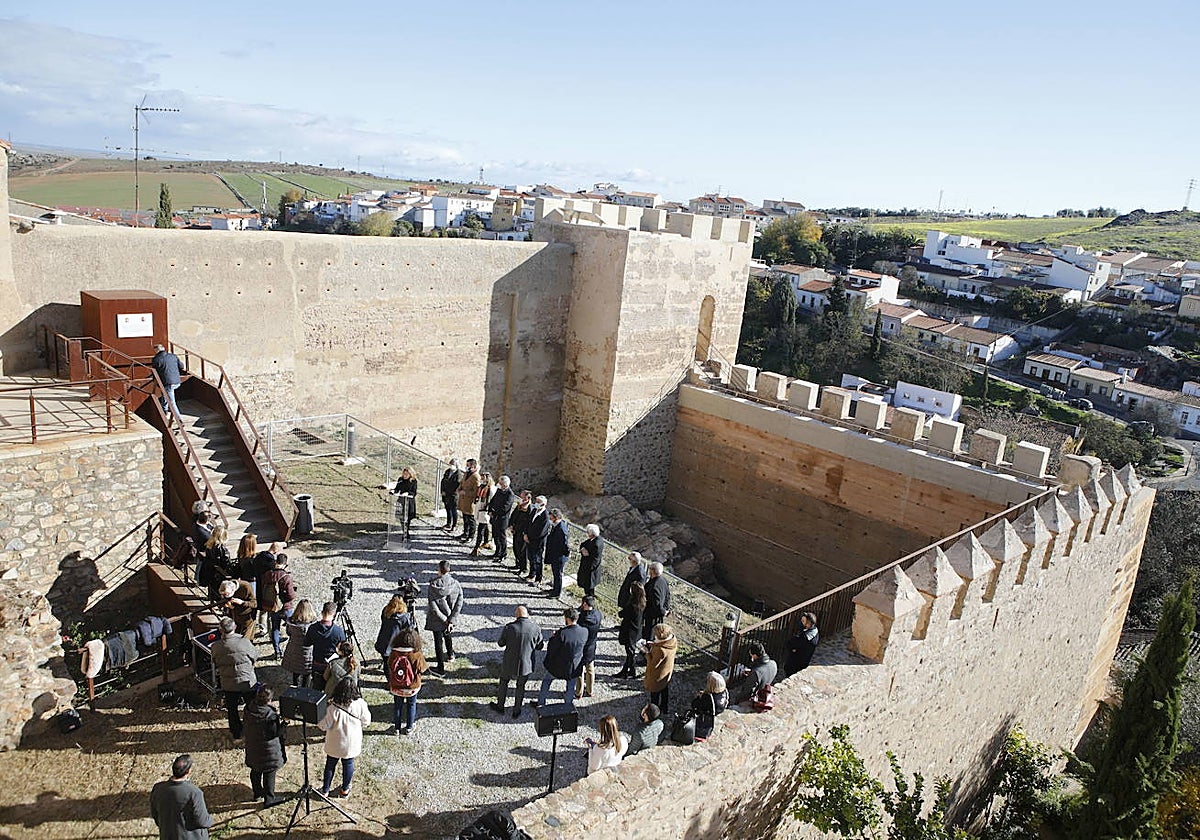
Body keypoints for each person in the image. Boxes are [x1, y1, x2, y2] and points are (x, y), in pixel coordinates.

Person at [318, 677, 371, 798]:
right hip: (351, 743)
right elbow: (366, 721)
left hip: (334, 743)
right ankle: (345, 790)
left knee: (330, 765)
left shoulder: (332, 708)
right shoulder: (360, 704)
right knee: (348, 764)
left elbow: (323, 726)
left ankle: (325, 790)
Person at [490, 605, 542, 718]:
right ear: (527, 615)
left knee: (504, 682)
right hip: (526, 664)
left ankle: (500, 706)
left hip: (509, 662)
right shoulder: (536, 629)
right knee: (521, 686)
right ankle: (516, 711)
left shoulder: (509, 628)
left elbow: (500, 643)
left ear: (516, 616)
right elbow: (540, 646)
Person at [211, 617, 257, 739]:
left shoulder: (216, 646)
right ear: (235, 627)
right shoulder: (244, 642)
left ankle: (236, 733)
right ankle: (253, 729)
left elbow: (215, 661)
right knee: (252, 706)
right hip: (247, 681)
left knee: (232, 709)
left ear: (220, 630)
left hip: (228, 683)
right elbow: (254, 656)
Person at [242, 685, 287, 807]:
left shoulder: (249, 708)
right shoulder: (270, 715)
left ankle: (257, 793)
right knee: (269, 773)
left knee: (255, 770)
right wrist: (285, 722)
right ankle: (269, 799)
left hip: (253, 746)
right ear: (269, 700)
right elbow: (275, 733)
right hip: (268, 751)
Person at [150, 754, 212, 840]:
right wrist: (210, 820)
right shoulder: (194, 793)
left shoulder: (158, 788)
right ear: (188, 771)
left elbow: (155, 815)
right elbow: (202, 821)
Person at [535, 608, 587, 708]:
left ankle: (541, 703)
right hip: (574, 667)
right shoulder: (584, 632)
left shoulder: (562, 633)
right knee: (570, 687)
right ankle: (568, 706)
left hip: (558, 667)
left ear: (567, 619)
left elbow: (552, 649)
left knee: (546, 682)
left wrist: (552, 638)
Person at [387, 627, 428, 735]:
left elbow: (389, 665)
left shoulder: (394, 652)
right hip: (412, 686)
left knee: (397, 706)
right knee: (411, 704)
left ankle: (397, 728)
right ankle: (409, 727)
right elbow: (422, 669)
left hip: (397, 685)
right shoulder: (416, 654)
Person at [425, 560, 463, 674]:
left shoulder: (433, 586)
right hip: (449, 619)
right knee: (447, 635)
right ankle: (450, 654)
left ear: (439, 569)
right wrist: (451, 620)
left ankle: (440, 668)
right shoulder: (456, 584)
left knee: (438, 642)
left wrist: (444, 620)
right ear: (449, 570)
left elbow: (433, 606)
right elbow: (459, 603)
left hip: (437, 619)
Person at [261, 553, 297, 659]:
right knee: (293, 629)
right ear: (285, 564)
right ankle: (291, 651)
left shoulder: (268, 574)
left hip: (273, 606)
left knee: (275, 629)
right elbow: (291, 596)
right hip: (286, 607)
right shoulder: (286, 577)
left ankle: (277, 652)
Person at [305, 602, 347, 686]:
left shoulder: (313, 628)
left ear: (322, 612)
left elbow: (306, 643)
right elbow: (344, 649)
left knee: (316, 687)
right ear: (334, 615)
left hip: (317, 664)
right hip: (332, 666)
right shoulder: (338, 632)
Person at [282, 599, 317, 687]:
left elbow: (288, 633)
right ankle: (304, 691)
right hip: (308, 652)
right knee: (307, 673)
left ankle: (295, 689)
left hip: (294, 649)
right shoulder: (313, 624)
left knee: (296, 671)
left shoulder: (291, 622)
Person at [644, 622, 678, 713]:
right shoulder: (672, 641)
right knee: (664, 690)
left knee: (655, 695)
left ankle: (654, 712)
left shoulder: (660, 650)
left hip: (657, 676)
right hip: (666, 673)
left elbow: (653, 664)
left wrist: (647, 653)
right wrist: (654, 644)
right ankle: (664, 708)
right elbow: (663, 645)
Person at [616, 580, 646, 678]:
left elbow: (622, 614)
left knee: (630, 652)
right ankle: (631, 670)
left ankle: (626, 671)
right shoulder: (642, 602)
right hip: (637, 630)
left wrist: (621, 612)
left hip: (629, 631)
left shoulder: (632, 605)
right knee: (630, 651)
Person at [575, 595, 602, 700]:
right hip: (591, 645)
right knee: (590, 669)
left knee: (579, 670)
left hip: (582, 647)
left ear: (585, 604)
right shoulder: (598, 614)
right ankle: (590, 690)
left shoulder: (582, 619)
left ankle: (579, 692)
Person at [735, 641, 778, 705]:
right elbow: (764, 674)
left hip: (757, 699)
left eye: (751, 655)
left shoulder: (756, 673)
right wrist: (752, 673)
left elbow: (747, 692)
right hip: (765, 690)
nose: (751, 657)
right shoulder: (773, 663)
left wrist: (737, 698)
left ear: (755, 655)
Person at [690, 671, 729, 741]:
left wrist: (699, 697)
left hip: (711, 713)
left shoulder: (708, 697)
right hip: (721, 708)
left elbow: (695, 705)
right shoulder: (724, 691)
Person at [151, 343, 186, 417]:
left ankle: (179, 419)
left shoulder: (156, 359)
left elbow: (154, 372)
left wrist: (155, 382)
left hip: (168, 383)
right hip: (177, 381)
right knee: (165, 393)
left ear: (156, 350)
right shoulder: (173, 356)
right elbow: (182, 366)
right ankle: (165, 409)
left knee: (172, 402)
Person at [199, 524, 231, 600]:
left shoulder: (209, 544)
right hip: (218, 572)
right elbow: (225, 562)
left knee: (212, 587)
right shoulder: (221, 548)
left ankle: (211, 597)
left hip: (210, 570)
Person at [524, 496, 551, 586]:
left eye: (538, 502)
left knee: (538, 560)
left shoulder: (545, 516)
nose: (536, 503)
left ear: (543, 504)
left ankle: (538, 578)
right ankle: (531, 574)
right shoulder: (534, 511)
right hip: (529, 539)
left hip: (538, 542)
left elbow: (541, 532)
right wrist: (526, 534)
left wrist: (530, 538)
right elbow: (528, 522)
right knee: (531, 558)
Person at [487, 475, 515, 561]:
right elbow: (493, 500)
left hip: (502, 519)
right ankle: (497, 552)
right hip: (494, 517)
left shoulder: (510, 494)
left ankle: (503, 554)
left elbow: (505, 508)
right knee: (495, 536)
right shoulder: (499, 490)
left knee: (502, 537)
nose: (499, 484)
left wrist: (494, 512)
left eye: (501, 483)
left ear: (505, 484)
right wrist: (490, 510)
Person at [784, 612, 820, 677]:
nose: (801, 622)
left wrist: (792, 648)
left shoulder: (805, 637)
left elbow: (792, 644)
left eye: (803, 621)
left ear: (808, 624)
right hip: (804, 661)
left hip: (796, 662)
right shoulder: (815, 632)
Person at [643, 562, 672, 642]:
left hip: (652, 614)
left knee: (650, 634)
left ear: (652, 571)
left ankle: (649, 648)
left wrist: (663, 611)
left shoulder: (654, 586)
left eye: (650, 569)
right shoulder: (663, 580)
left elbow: (656, 604)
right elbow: (667, 596)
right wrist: (666, 609)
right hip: (659, 613)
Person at [544, 507, 569, 596]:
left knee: (558, 575)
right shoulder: (556, 525)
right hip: (555, 554)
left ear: (556, 517)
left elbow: (564, 544)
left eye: (551, 517)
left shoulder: (561, 528)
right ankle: (554, 589)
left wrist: (563, 554)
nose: (550, 519)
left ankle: (556, 593)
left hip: (559, 556)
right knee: (555, 574)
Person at [470, 471, 495, 556]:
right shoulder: (481, 486)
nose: (481, 478)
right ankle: (486, 542)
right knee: (485, 526)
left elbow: (492, 500)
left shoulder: (491, 489)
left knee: (481, 528)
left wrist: (489, 510)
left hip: (485, 510)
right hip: (479, 508)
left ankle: (476, 547)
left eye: (483, 477)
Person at [455, 459, 481, 543]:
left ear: (473, 466)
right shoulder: (466, 474)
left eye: (468, 465)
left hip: (470, 502)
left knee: (470, 520)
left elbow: (476, 491)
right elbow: (462, 483)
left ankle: (471, 536)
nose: (467, 467)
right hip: (463, 500)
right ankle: (465, 533)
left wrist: (465, 492)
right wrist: (459, 489)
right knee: (465, 518)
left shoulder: (476, 477)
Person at [577, 523, 604, 599]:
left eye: (588, 532)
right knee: (588, 587)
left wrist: (586, 554)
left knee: (589, 587)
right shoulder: (594, 539)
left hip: (590, 569)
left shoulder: (596, 544)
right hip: (587, 567)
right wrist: (583, 549)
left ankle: (589, 601)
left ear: (592, 534)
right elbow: (583, 544)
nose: (587, 533)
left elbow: (593, 558)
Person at [508, 490, 532, 573]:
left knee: (522, 550)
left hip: (522, 531)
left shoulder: (529, 507)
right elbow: (514, 515)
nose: (521, 497)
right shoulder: (520, 505)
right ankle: (517, 564)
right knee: (516, 547)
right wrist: (511, 524)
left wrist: (525, 532)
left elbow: (528, 521)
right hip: (516, 529)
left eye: (522, 496)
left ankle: (523, 567)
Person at [391, 466, 418, 532]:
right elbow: (397, 488)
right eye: (404, 474)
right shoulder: (400, 479)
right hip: (401, 501)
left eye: (406, 474)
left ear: (410, 474)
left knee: (408, 517)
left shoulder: (413, 481)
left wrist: (408, 493)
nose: (405, 475)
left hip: (409, 502)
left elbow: (414, 492)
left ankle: (406, 530)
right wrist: (393, 491)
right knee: (401, 517)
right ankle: (404, 530)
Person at [440, 459, 461, 532]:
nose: (451, 466)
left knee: (454, 510)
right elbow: (443, 481)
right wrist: (442, 491)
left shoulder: (458, 474)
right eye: (450, 464)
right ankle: (448, 523)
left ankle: (454, 525)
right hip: (446, 494)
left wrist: (449, 492)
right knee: (448, 509)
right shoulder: (447, 471)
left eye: (453, 464)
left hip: (453, 495)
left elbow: (456, 485)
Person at [235, 534, 258, 599]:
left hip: (243, 580)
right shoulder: (252, 559)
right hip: (252, 581)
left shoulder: (240, 555)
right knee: (253, 599)